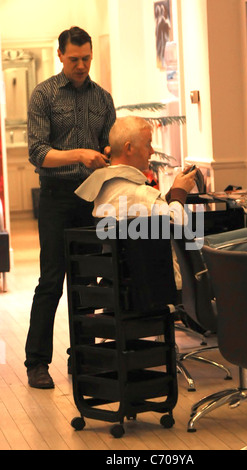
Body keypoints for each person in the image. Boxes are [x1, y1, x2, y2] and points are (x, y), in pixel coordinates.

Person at [76, 116, 247, 284]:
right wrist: (180, 194)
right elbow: (178, 226)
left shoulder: (105, 189)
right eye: (148, 144)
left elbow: (151, 217)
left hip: (143, 267)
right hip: (180, 262)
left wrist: (173, 193)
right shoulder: (137, 193)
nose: (151, 151)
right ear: (129, 148)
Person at [25, 26, 116, 389]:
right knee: (52, 281)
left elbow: (109, 142)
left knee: (88, 279)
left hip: (92, 199)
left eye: (87, 58)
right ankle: (36, 363)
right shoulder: (44, 94)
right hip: (56, 198)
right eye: (74, 58)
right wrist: (79, 154)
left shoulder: (103, 98)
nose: (81, 65)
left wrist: (108, 154)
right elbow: (37, 152)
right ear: (60, 55)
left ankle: (85, 356)